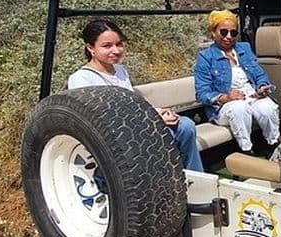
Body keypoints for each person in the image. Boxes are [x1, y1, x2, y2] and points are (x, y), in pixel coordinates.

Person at [68, 20, 204, 172]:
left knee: (185, 125)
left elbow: (131, 103)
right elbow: (99, 118)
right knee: (167, 134)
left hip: (135, 124)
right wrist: (152, 119)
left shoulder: (120, 71)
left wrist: (157, 112)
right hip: (113, 134)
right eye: (107, 46)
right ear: (90, 48)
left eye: (119, 44)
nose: (116, 50)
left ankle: (195, 175)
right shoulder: (81, 79)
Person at [194, 10, 281, 160]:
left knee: (266, 108)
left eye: (233, 33)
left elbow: (259, 74)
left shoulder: (244, 49)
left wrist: (261, 87)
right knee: (239, 108)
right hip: (224, 106)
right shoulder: (206, 58)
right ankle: (247, 151)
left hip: (250, 96)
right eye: (223, 31)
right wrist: (225, 97)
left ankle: (274, 145)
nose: (228, 36)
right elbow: (202, 93)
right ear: (214, 33)